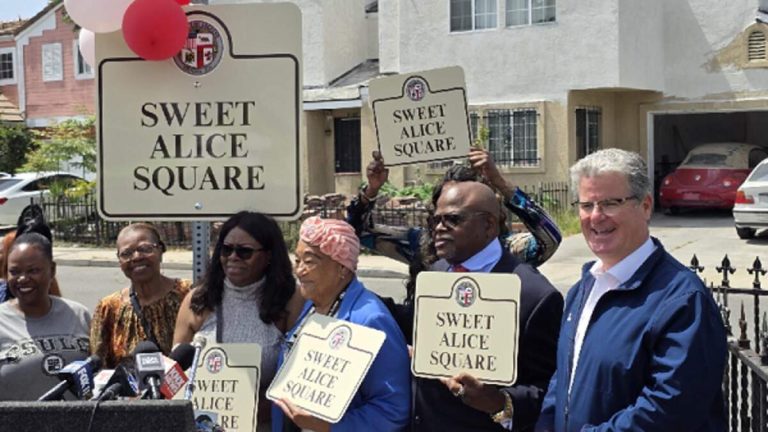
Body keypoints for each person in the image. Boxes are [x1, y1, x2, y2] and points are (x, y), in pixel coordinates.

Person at [535, 149, 727, 431]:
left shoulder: (683, 301)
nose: (596, 217)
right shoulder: (582, 290)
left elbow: (669, 412)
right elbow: (564, 379)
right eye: (587, 205)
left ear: (646, 206)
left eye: (610, 203)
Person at [272, 216, 411, 432]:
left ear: (342, 269)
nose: (299, 271)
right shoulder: (313, 306)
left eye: (310, 262)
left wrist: (330, 426)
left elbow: (393, 409)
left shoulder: (370, 319)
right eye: (298, 260)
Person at [174, 211, 304, 429]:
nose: (233, 257)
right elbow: (175, 373)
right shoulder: (197, 299)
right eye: (226, 249)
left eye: (245, 252)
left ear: (269, 255)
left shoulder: (291, 300)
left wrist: (257, 406)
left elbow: (299, 379)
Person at [0, 231, 91, 400]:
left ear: (52, 270)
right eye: (14, 271)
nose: (23, 278)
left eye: (33, 270)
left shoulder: (79, 314)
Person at [90, 223, 192, 368]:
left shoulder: (188, 294)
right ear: (119, 260)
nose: (137, 257)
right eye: (127, 253)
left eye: (145, 249)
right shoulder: (108, 308)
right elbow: (99, 366)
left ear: (161, 250)